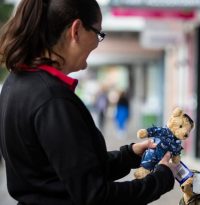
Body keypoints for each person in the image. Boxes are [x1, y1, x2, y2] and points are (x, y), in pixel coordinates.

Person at [0, 0, 177, 204]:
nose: (96, 42)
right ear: (76, 30)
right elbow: (95, 196)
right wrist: (162, 178)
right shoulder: (53, 100)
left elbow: (73, 170)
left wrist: (131, 154)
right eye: (98, 33)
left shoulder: (16, 82)